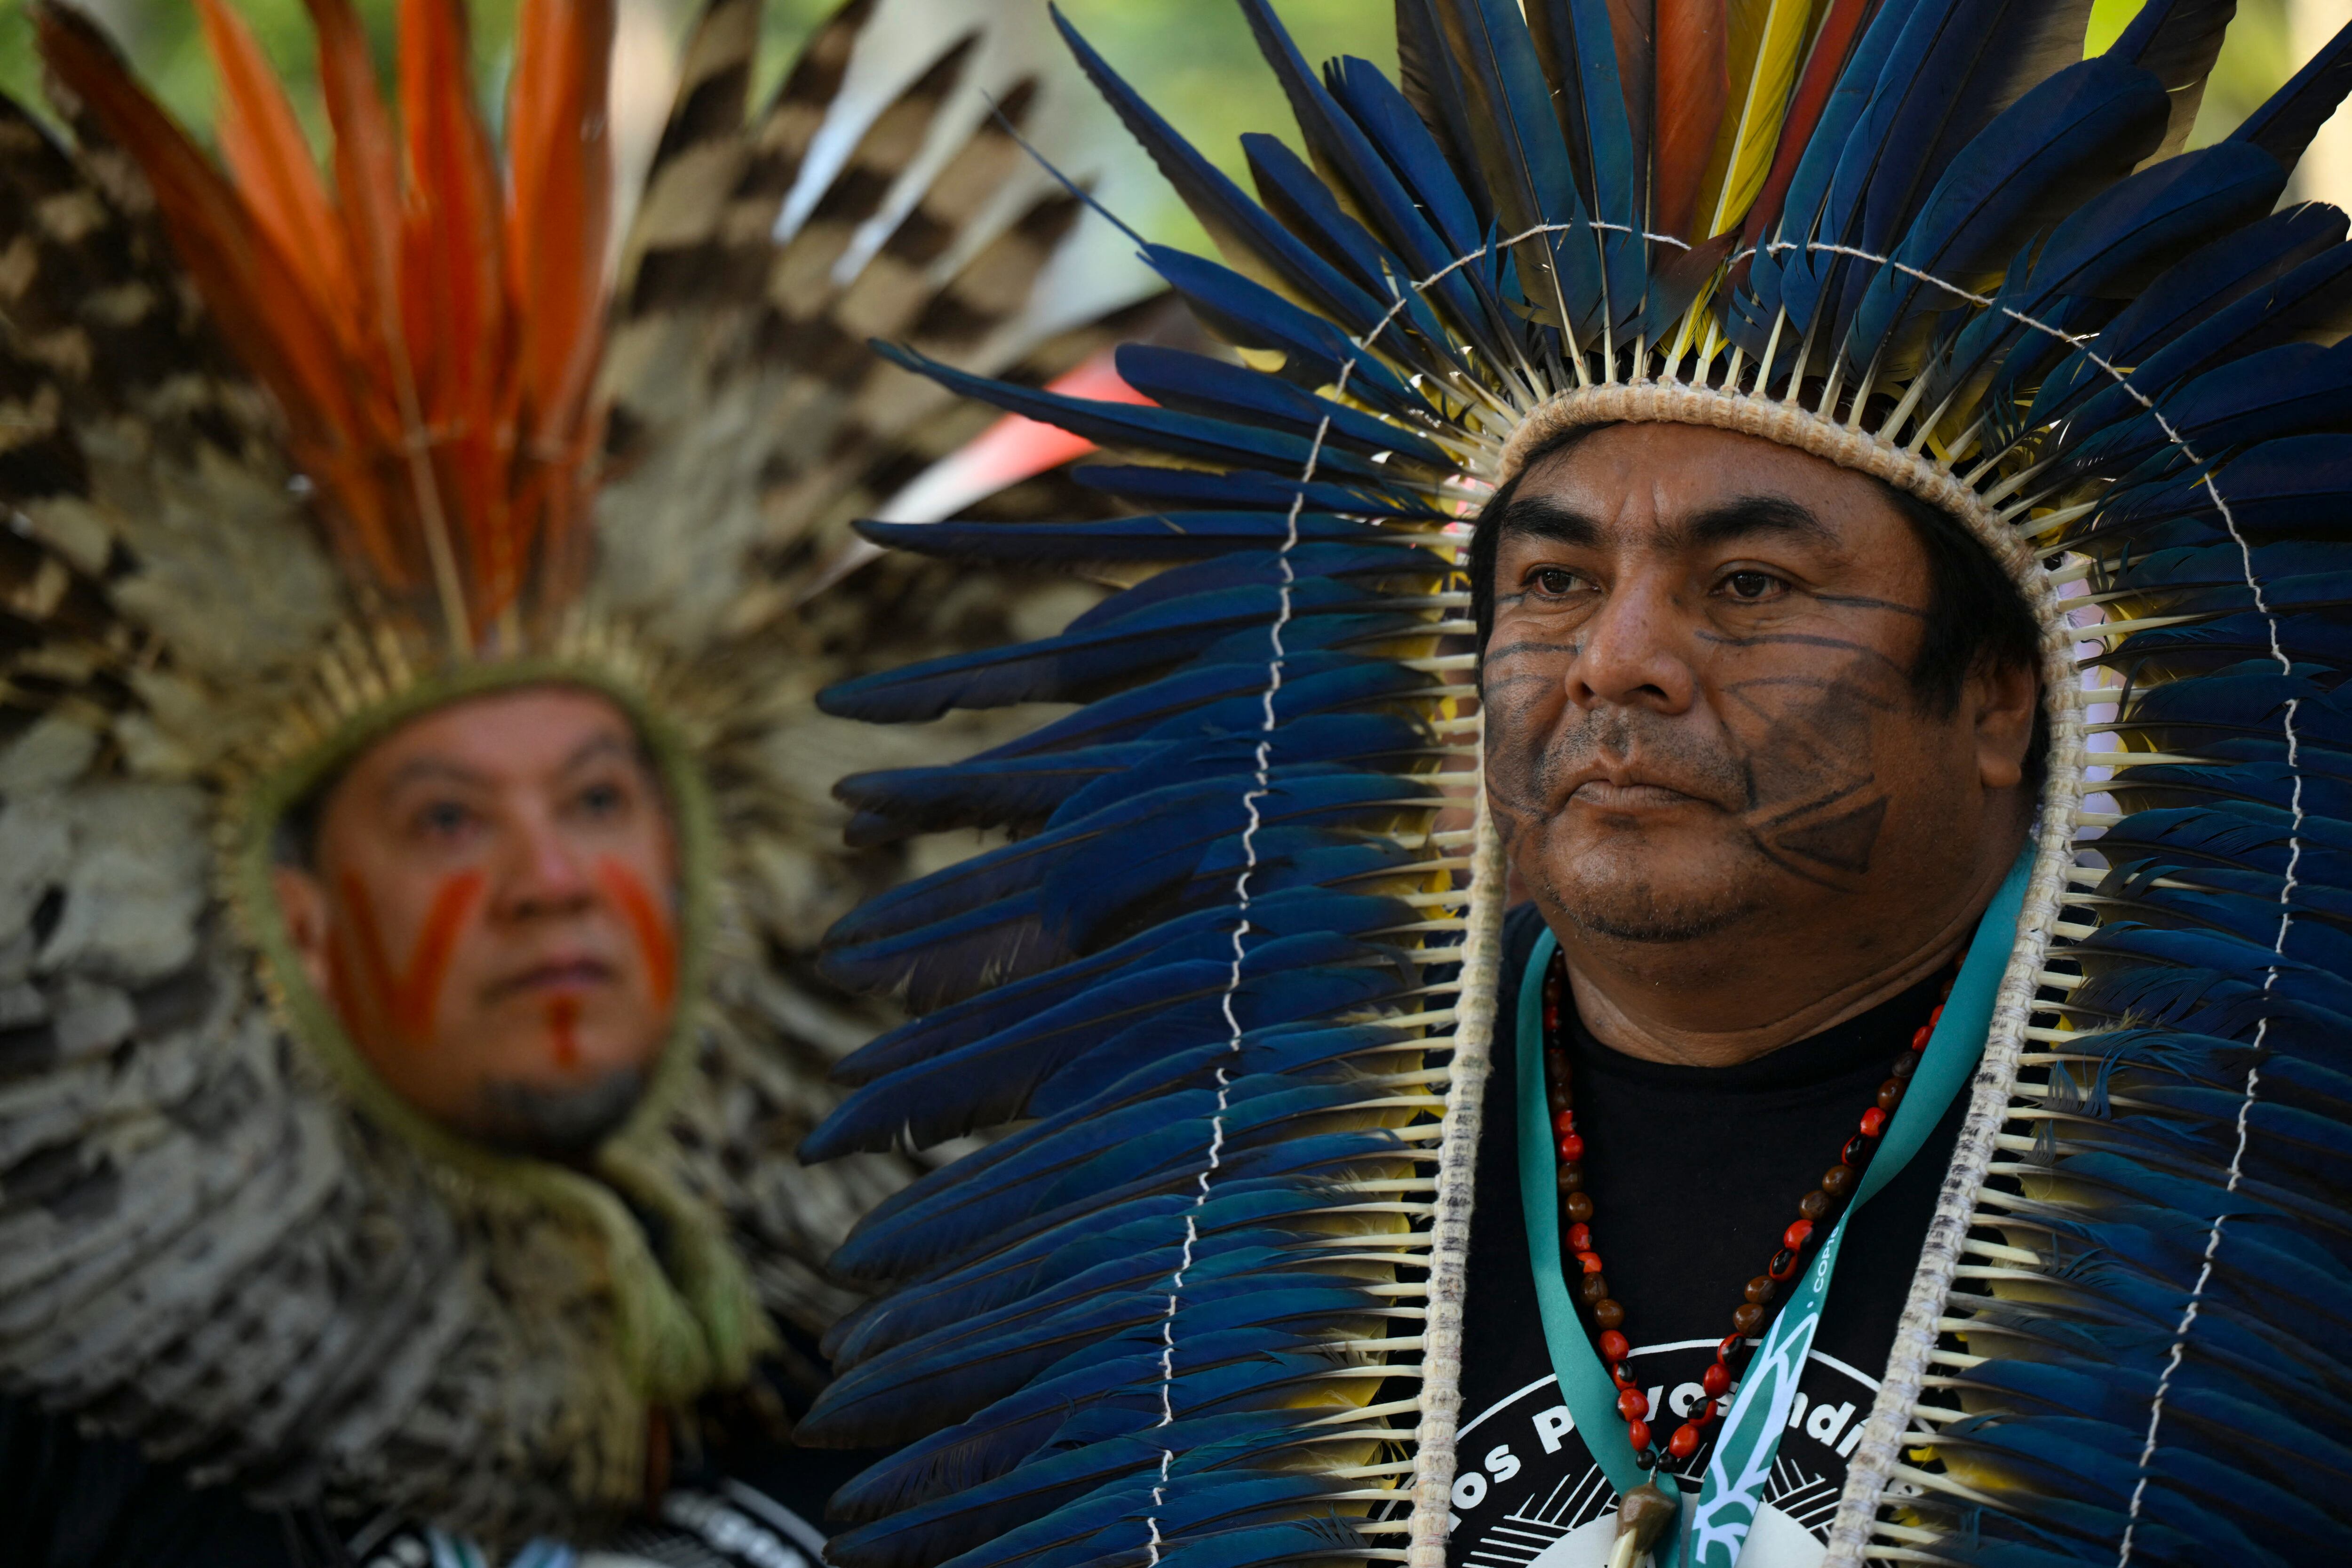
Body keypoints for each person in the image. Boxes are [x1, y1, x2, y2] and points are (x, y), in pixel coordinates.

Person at [782, 3, 2352, 1568]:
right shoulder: (1230, 1212)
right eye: (1547, 582)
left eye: (1746, 585)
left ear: (2006, 696)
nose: (1618, 659)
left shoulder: (2256, 1191)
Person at [0, 0, 1157, 1560]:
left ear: (698, 865)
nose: (549, 877)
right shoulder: (93, 1423)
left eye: (600, 801)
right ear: (302, 923)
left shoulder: (953, 1373)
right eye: (447, 820)